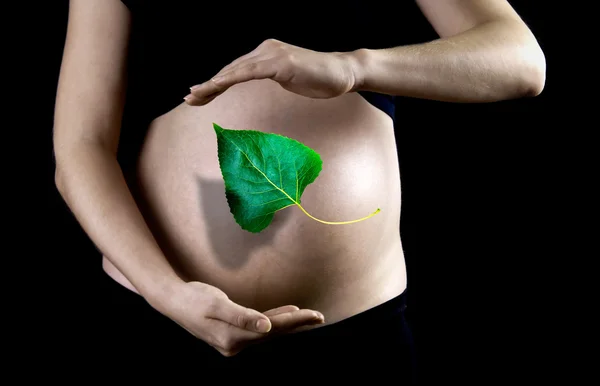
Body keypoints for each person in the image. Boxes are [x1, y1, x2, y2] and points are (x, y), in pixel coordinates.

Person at [53, 0, 545, 380]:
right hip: (157, 315)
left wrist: (355, 67)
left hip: (354, 332)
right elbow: (80, 146)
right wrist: (167, 293)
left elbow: (520, 60)